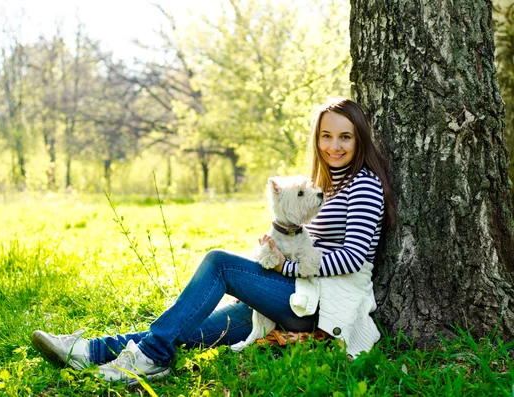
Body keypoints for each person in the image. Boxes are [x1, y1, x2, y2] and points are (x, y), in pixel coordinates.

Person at [31, 98, 397, 385]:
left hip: (322, 307)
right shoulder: (330, 184)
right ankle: (87, 351)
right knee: (189, 328)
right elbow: (312, 243)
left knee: (219, 262)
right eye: (326, 136)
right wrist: (274, 255)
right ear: (317, 139)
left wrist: (283, 266)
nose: (334, 145)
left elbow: (353, 257)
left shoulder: (363, 184)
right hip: (298, 294)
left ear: (359, 138)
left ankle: (151, 358)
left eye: (344, 136)